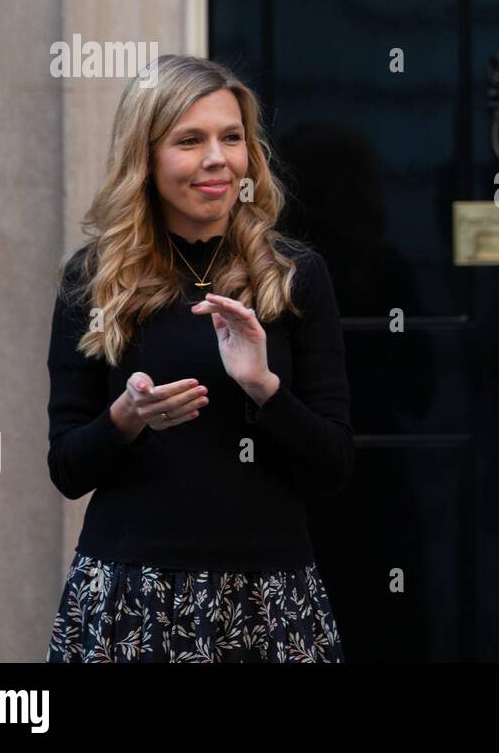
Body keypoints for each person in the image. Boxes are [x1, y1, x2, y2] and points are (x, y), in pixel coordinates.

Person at [44, 55, 353, 662]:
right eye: (190, 140)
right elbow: (67, 469)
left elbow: (334, 464)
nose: (217, 158)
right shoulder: (96, 279)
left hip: (269, 596)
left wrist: (265, 387)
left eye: (231, 137)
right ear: (147, 157)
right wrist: (127, 416)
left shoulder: (292, 276)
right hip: (133, 593)